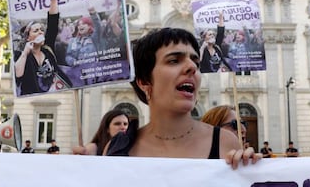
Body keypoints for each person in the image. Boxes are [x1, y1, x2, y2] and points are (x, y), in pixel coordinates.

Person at [105, 27, 261, 169]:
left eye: (196, 62)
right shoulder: (118, 148)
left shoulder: (225, 142)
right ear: (144, 82)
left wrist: (250, 170)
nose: (192, 67)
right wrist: (82, 168)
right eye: (174, 60)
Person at [14, 0, 72, 95]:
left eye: (41, 30)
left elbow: (53, 22)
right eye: (36, 31)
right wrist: (25, 53)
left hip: (53, 94)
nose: (40, 32)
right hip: (31, 96)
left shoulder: (47, 48)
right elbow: (18, 75)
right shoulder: (20, 54)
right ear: (28, 37)